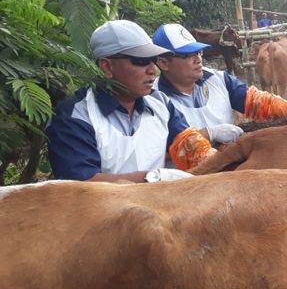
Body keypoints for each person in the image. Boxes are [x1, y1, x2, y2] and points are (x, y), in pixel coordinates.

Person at [46, 20, 216, 183]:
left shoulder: (160, 103)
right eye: (141, 61)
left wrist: (229, 154)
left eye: (153, 60)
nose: (153, 70)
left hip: (159, 209)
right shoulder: (76, 117)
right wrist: (153, 178)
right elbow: (82, 186)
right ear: (107, 66)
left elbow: (190, 147)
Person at [151, 24, 287, 139]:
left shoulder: (218, 79)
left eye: (198, 52)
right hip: (186, 175)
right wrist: (209, 134)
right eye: (188, 55)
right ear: (163, 63)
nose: (198, 59)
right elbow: (160, 150)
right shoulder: (154, 100)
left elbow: (260, 103)